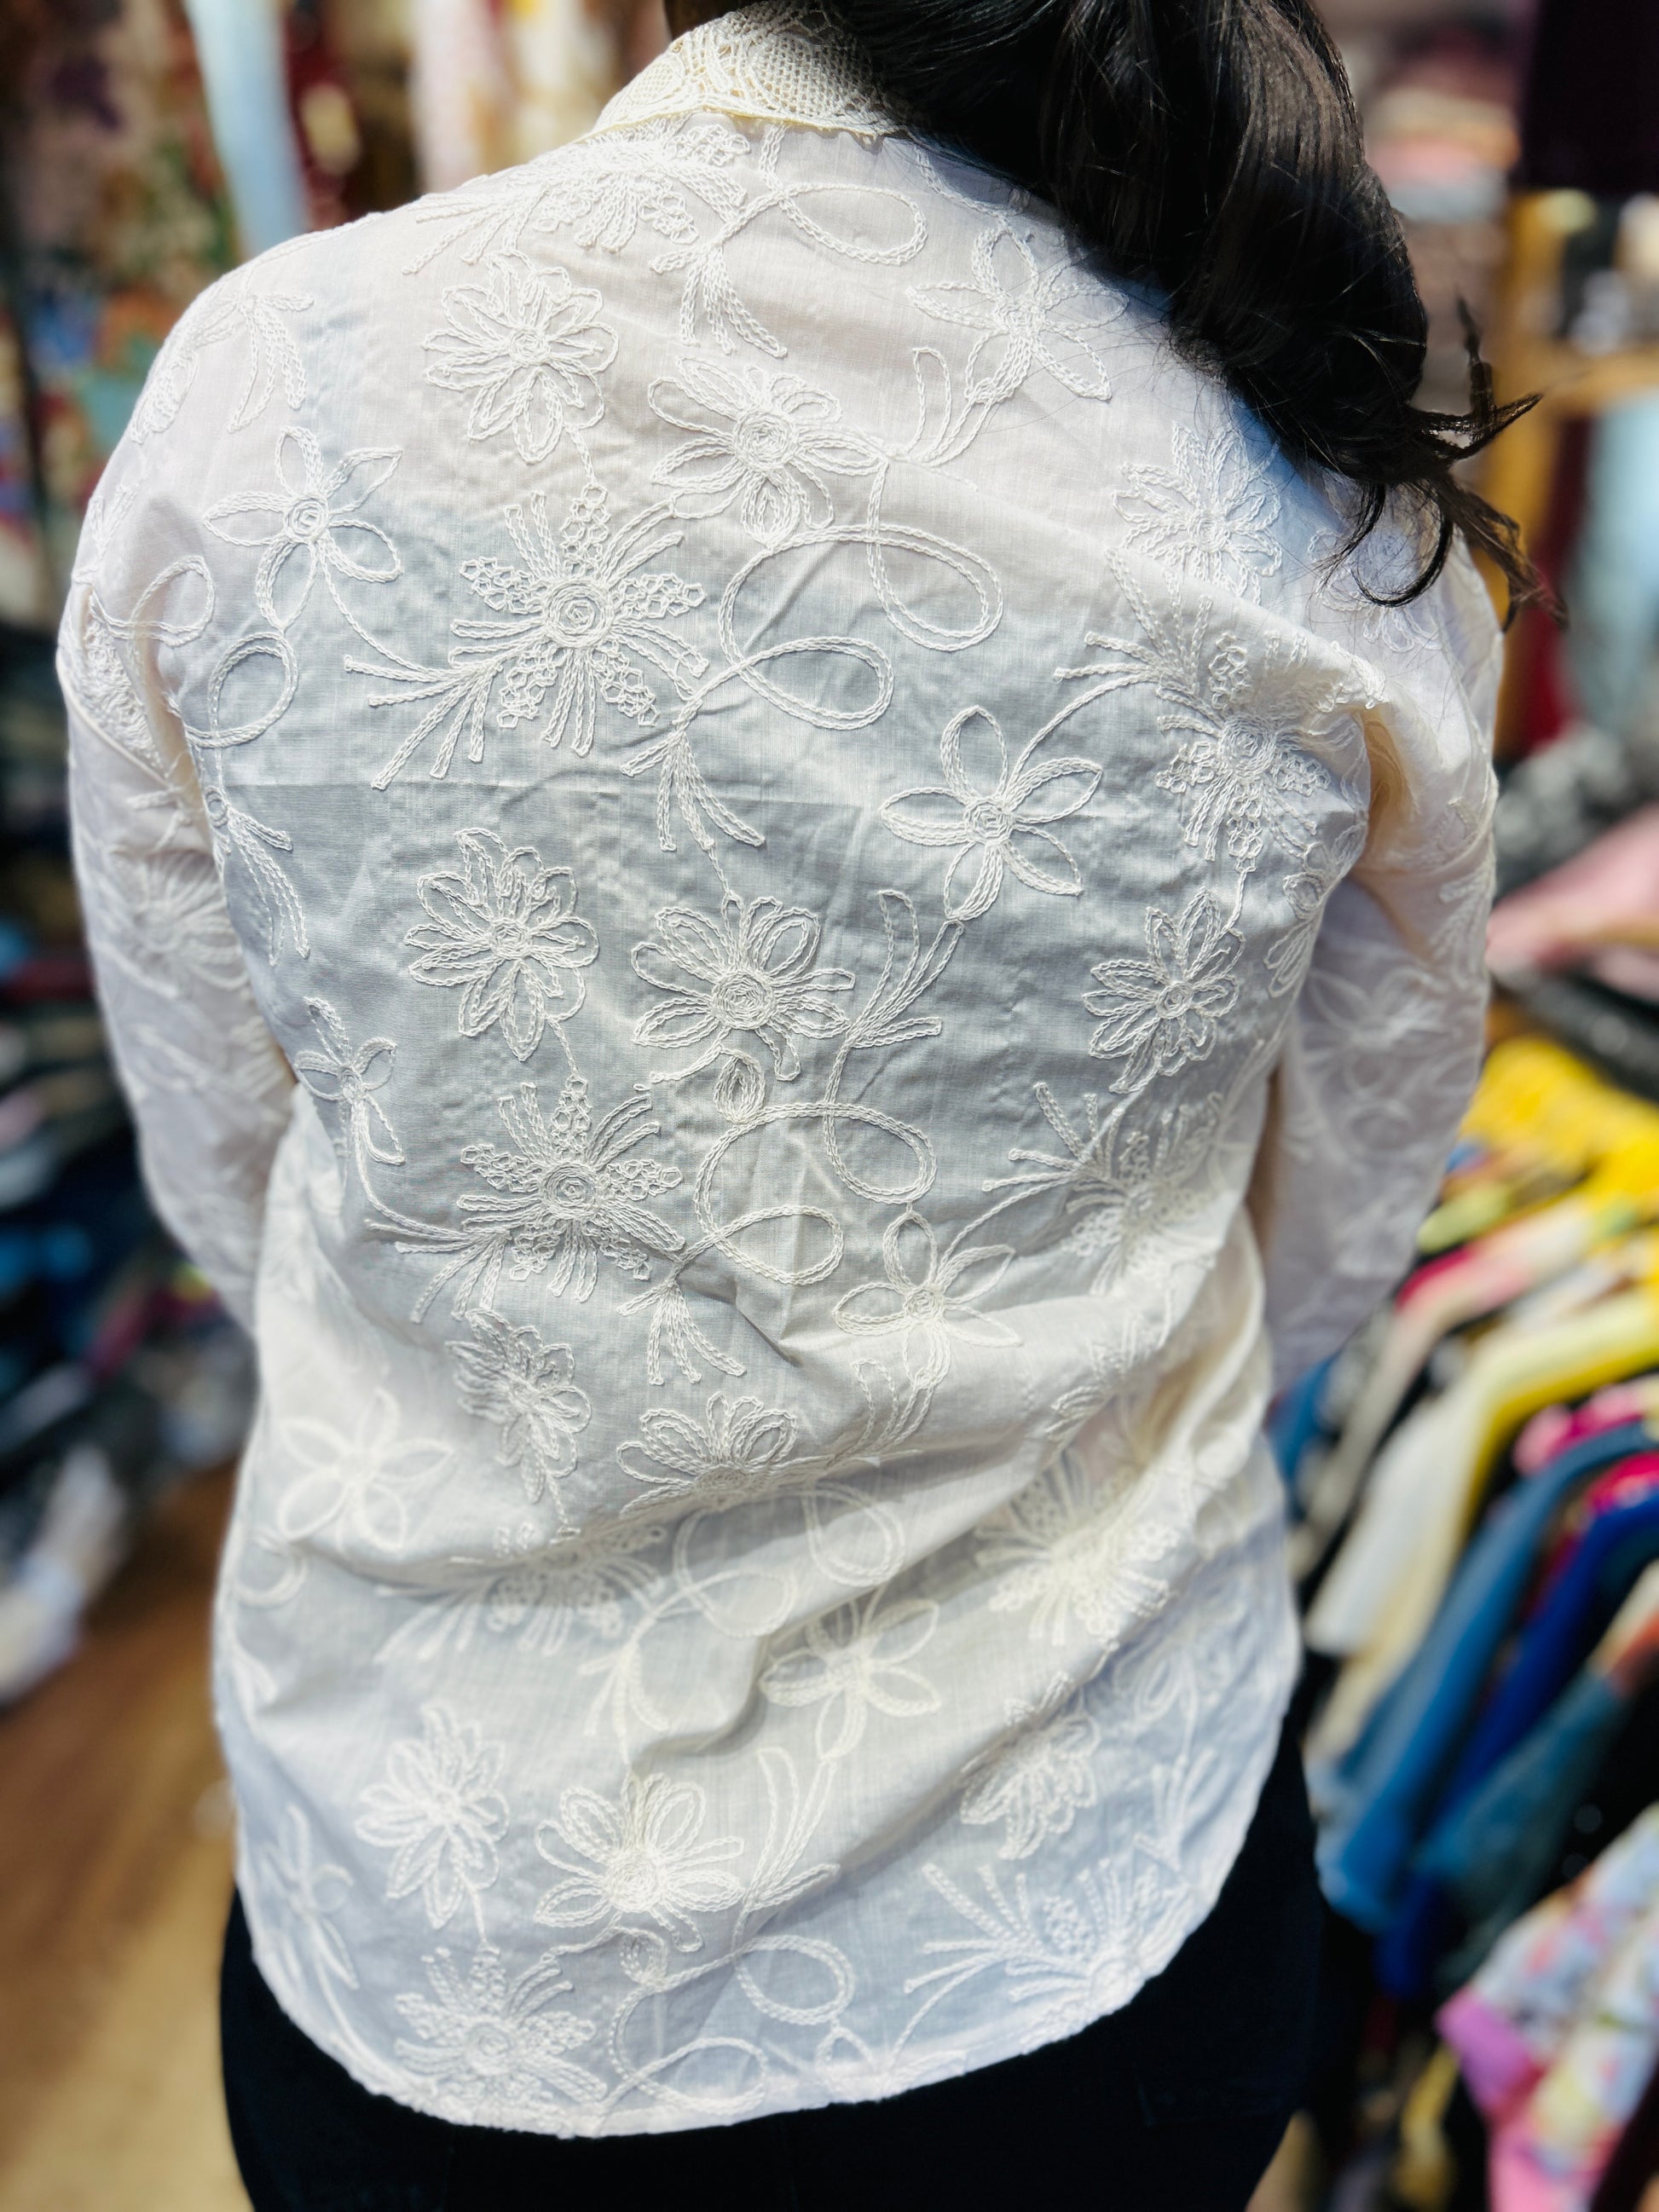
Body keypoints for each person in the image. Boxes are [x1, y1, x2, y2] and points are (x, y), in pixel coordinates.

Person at [60, 2, 1536, 2205]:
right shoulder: (1297, 457)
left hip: (459, 1906)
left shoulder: (280, 386)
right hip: (1074, 1888)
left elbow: (227, 1147)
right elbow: (1340, 1203)